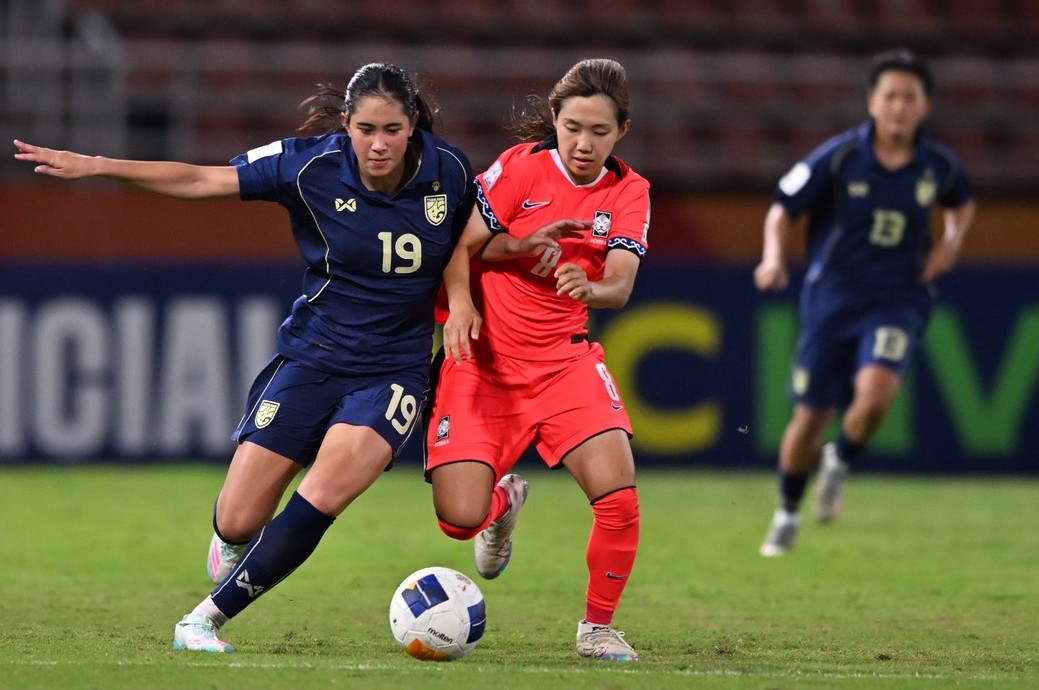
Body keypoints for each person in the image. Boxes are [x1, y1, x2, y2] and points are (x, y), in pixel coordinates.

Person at [14, 62, 478, 651]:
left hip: (393, 371)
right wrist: (99, 166)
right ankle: (234, 541)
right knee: (237, 520)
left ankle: (202, 620)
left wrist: (461, 296)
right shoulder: (309, 164)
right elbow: (201, 180)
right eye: (365, 129)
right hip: (311, 356)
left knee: (325, 494)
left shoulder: (451, 169)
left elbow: (469, 238)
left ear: (412, 124)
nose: (378, 143)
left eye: (391, 128)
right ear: (346, 124)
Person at [425, 58, 650, 661]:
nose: (583, 143)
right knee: (458, 519)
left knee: (620, 501)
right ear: (555, 119)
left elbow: (621, 283)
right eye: (573, 126)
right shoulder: (521, 170)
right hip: (486, 361)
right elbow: (461, 245)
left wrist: (589, 287)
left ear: (621, 131)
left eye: (600, 131)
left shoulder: (629, 192)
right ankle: (504, 504)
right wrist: (463, 303)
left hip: (563, 364)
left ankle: (596, 629)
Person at [754, 49, 976, 557]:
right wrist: (773, 258)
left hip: (898, 299)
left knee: (876, 396)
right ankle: (787, 512)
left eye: (909, 97)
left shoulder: (938, 166)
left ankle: (841, 461)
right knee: (809, 419)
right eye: (890, 95)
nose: (899, 106)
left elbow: (962, 202)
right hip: (833, 300)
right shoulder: (840, 157)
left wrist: (952, 241)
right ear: (873, 102)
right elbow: (782, 208)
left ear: (926, 106)